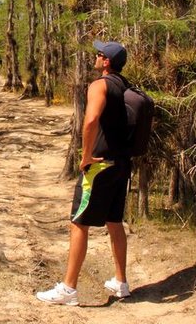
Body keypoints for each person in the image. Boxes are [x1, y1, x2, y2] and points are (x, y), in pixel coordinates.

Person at [36, 40, 133, 306]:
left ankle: (68, 289)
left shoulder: (99, 85)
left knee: (79, 223)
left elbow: (90, 120)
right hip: (122, 164)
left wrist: (85, 155)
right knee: (114, 221)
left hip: (100, 164)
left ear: (106, 62)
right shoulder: (126, 87)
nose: (96, 57)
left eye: (99, 54)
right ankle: (121, 283)